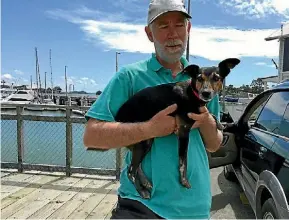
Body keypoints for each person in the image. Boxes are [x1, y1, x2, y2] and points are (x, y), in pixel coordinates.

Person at [83, 0, 223, 219]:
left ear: (188, 29)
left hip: (196, 208)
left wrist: (207, 122)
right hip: (141, 207)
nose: (172, 34)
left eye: (178, 24)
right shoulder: (128, 77)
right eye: (163, 26)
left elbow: (214, 145)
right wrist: (150, 129)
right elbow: (92, 136)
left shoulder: (204, 80)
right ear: (149, 33)